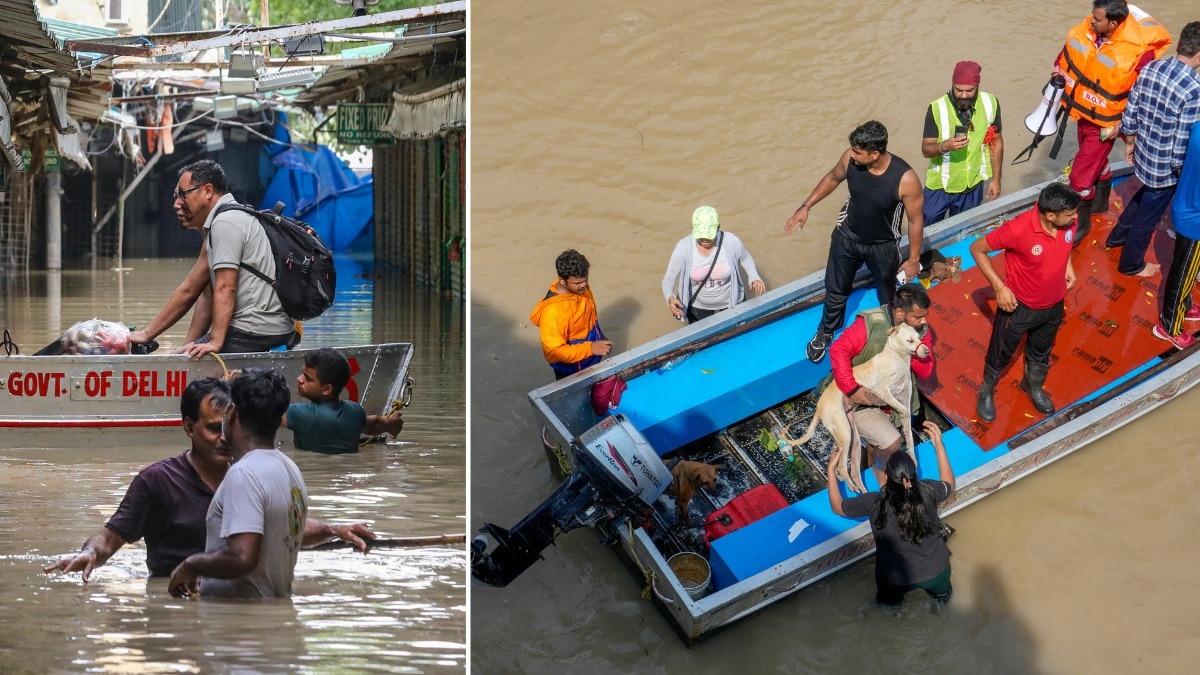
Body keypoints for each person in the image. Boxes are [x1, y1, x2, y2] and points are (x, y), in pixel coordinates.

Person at [44, 378, 372, 583]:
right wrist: (89, 553)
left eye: (227, 426)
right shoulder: (157, 481)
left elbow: (278, 525)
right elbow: (110, 538)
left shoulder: (250, 473)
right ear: (188, 426)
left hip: (233, 604)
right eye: (213, 428)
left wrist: (333, 530)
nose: (223, 438)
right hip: (176, 602)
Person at [784, 120, 925, 363]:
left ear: (874, 153)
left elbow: (915, 221)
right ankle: (826, 331)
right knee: (836, 289)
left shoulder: (905, 179)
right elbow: (832, 177)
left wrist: (913, 260)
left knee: (887, 293)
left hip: (883, 245)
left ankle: (892, 333)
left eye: (858, 152)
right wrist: (806, 206)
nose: (852, 154)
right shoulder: (850, 159)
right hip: (847, 237)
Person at [128, 160, 299, 358]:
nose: (177, 203)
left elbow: (226, 287)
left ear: (207, 191)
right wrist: (164, 343)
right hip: (259, 329)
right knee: (186, 355)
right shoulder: (219, 226)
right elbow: (196, 291)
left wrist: (215, 342)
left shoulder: (225, 223)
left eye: (182, 194)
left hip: (255, 330)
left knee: (199, 377)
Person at [1055, 0, 1170, 237]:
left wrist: (1125, 126)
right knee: (1093, 162)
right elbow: (1067, 56)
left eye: (1097, 19)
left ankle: (1082, 223)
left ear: (1113, 23)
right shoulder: (1089, 31)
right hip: (1084, 111)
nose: (1091, 20)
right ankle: (1100, 203)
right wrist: (1057, 71)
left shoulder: (1140, 52)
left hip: (1109, 122)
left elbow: (1143, 93)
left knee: (1080, 176)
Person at [970, 183, 1081, 422]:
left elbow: (1066, 243)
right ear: (1050, 215)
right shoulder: (1018, 229)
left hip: (1053, 306)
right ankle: (987, 389)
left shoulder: (1068, 220)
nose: (1075, 218)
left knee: (1041, 352)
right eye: (1069, 214)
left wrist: (1068, 265)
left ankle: (1032, 386)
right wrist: (1000, 287)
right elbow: (977, 249)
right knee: (1001, 352)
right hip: (1018, 309)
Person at [1105, 22, 1200, 278]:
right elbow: (1182, 141)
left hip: (1144, 153)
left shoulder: (1153, 66)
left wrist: (1130, 142)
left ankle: (1116, 237)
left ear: (1180, 44)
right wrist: (1182, 175)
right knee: (1148, 218)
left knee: (1143, 194)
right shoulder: (1194, 88)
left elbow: (1131, 110)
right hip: (1165, 167)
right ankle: (1131, 264)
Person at [827, 421, 956, 607]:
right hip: (936, 571)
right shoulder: (928, 490)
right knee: (943, 600)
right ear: (912, 476)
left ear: (887, 476)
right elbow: (949, 483)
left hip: (895, 578)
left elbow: (837, 506)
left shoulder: (873, 502)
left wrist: (831, 470)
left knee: (888, 609)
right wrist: (939, 446)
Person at [825, 283, 935, 487]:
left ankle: (873, 460)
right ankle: (876, 469)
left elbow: (926, 371)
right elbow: (838, 350)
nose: (924, 321)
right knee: (893, 442)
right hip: (858, 396)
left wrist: (909, 349)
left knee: (880, 444)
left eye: (924, 316)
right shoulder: (870, 325)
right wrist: (853, 389)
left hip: (888, 398)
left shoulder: (919, 332)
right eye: (918, 317)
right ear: (900, 313)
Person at [921, 61, 1004, 227]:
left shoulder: (990, 103)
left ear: (977, 86)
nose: (964, 95)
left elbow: (996, 142)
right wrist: (944, 146)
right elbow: (925, 149)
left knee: (964, 230)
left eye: (969, 90)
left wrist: (996, 180)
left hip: (972, 187)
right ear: (952, 84)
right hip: (940, 188)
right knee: (927, 232)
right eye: (959, 90)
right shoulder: (937, 108)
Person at [282, 347, 405, 454]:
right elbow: (374, 424)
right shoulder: (355, 412)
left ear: (327, 389)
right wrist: (391, 424)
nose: (299, 379)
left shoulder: (301, 413)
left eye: (307, 378)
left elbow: (266, 414)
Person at [662, 205, 766, 324]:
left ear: (718, 227)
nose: (704, 240)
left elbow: (745, 258)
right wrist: (670, 297)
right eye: (701, 236)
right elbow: (669, 279)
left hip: (731, 301)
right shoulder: (683, 248)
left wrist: (753, 276)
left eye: (708, 235)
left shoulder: (731, 241)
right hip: (699, 305)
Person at [529, 249, 613, 380]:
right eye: (578, 283)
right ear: (562, 281)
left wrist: (601, 337)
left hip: (592, 359)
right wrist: (591, 348)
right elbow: (553, 353)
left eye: (586, 279)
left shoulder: (581, 289)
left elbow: (589, 318)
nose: (584, 285)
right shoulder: (553, 312)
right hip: (573, 371)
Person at [1154, 117, 1200, 349]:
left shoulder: (1197, 127)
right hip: (1195, 222)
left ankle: (1186, 305)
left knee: (1187, 270)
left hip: (1185, 205)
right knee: (1183, 274)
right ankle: (1170, 326)